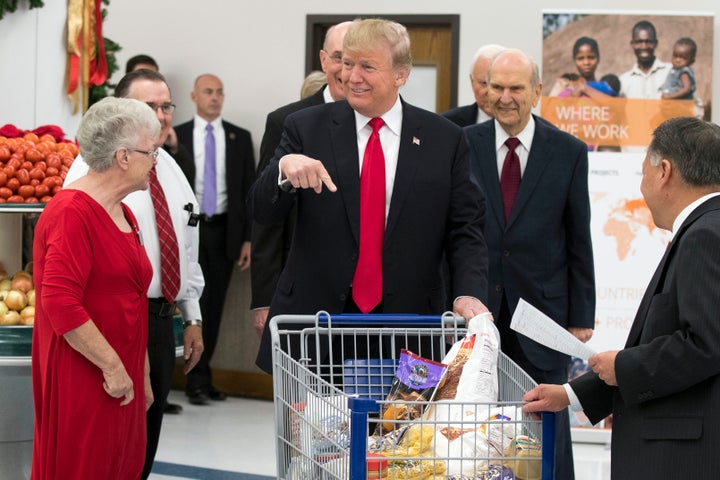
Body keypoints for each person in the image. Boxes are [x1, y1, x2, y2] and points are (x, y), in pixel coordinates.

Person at [251, 18, 489, 373]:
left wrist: (468, 293)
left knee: (399, 429)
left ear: (401, 74)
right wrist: (283, 170)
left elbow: (465, 227)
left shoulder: (445, 139)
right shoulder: (305, 127)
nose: (352, 76)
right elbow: (261, 210)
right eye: (347, 64)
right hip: (318, 326)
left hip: (409, 328)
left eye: (367, 66)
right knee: (316, 429)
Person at [523, 116, 720, 479]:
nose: (641, 183)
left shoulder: (705, 236)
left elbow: (705, 345)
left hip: (681, 457)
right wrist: (571, 393)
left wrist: (623, 366)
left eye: (642, 170)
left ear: (664, 171)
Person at [63, 69, 205, 480]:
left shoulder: (171, 169)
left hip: (161, 321)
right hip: (113, 323)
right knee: (109, 442)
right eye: (149, 107)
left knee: (144, 440)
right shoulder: (89, 173)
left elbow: (186, 246)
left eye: (166, 106)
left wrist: (191, 317)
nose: (160, 117)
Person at [464, 48, 595, 480]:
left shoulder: (569, 151)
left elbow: (579, 238)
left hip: (545, 316)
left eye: (515, 88)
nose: (504, 97)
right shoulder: (464, 144)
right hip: (479, 314)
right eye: (495, 86)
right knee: (476, 428)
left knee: (546, 427)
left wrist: (580, 317)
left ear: (537, 91)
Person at [32, 97, 159, 479]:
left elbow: (135, 300)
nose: (156, 161)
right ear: (123, 156)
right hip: (87, 371)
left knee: (121, 465)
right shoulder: (71, 213)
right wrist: (113, 366)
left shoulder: (125, 211)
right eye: (151, 151)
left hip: (122, 373)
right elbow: (60, 303)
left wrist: (143, 372)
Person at [250, 21, 351, 338]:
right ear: (323, 61)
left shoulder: (382, 124)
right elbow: (266, 217)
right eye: (339, 58)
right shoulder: (287, 121)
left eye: (357, 60)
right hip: (302, 294)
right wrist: (264, 299)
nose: (347, 70)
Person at [174, 74, 255, 405]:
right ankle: (191, 379)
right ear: (194, 95)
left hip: (224, 232)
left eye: (220, 92)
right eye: (208, 91)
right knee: (189, 304)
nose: (215, 97)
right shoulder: (176, 135)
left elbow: (249, 191)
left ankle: (202, 377)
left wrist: (248, 239)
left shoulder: (238, 137)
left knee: (214, 305)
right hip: (188, 230)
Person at [442, 44, 506, 127]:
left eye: (497, 86)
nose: (490, 92)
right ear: (472, 82)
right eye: (484, 83)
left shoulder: (526, 125)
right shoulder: (448, 123)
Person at [619, 20, 671, 99]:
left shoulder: (671, 72)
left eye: (648, 42)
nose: (644, 46)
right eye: (639, 42)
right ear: (632, 45)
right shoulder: (624, 81)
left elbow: (693, 106)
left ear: (655, 44)